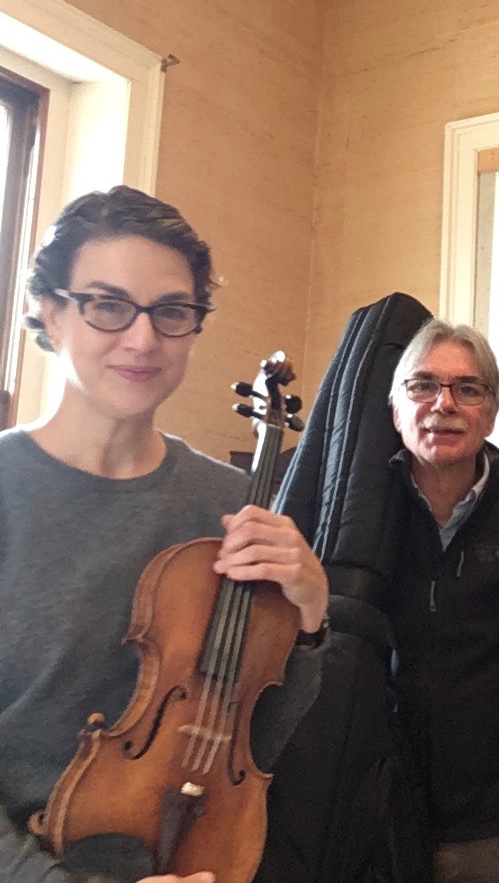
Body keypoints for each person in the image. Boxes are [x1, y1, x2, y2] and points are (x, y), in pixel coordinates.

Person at [0, 186, 330, 883]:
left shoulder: (233, 504)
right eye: (107, 305)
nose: (143, 339)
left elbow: (248, 740)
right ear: (51, 313)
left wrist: (307, 623)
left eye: (172, 312)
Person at [386, 318, 499, 883]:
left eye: (467, 389)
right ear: (396, 409)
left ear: (490, 414)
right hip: (376, 811)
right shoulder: (360, 517)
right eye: (423, 385)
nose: (443, 404)